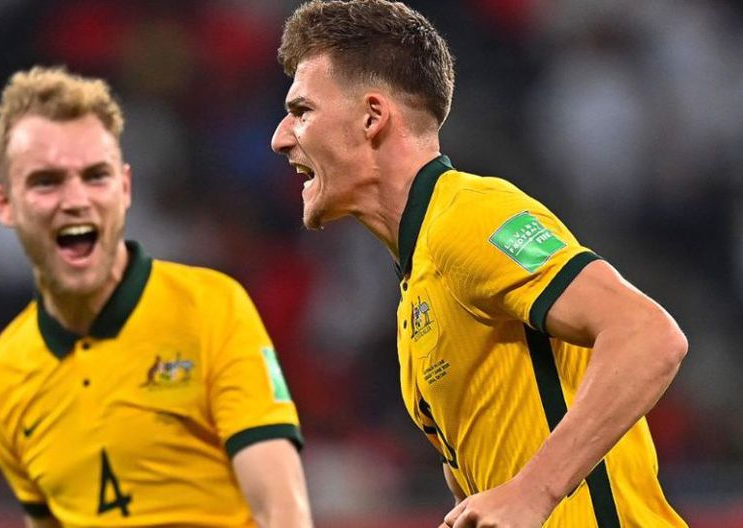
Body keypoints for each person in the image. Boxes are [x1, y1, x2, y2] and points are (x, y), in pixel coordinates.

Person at [270, 1, 688, 527]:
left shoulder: (469, 216)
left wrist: (533, 492)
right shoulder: (417, 285)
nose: (281, 137)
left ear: (372, 117)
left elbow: (649, 335)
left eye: (302, 111)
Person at [0, 66, 313, 528]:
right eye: (46, 181)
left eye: (95, 176)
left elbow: (282, 512)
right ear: (4, 203)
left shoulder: (210, 308)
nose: (76, 200)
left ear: (125, 187)